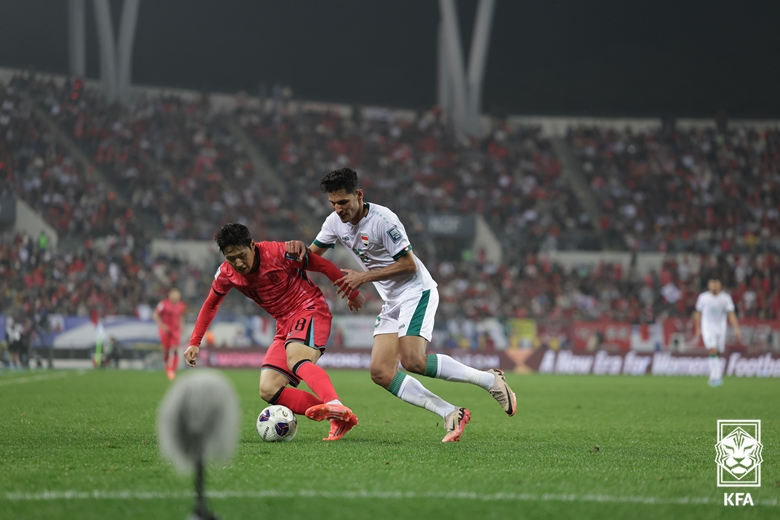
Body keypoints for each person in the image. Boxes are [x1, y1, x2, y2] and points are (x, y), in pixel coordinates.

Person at [287, 168, 517, 443]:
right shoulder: (334, 223)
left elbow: (408, 265)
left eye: (343, 202)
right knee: (381, 372)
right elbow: (311, 257)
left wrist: (364, 277)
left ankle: (490, 380)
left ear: (359, 195)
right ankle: (450, 412)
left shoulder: (384, 221)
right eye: (333, 204)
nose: (338, 209)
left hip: (415, 291)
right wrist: (294, 251)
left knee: (413, 361)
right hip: (392, 299)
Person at [184, 223, 366, 441]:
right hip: (284, 325)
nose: (239, 263)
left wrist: (351, 292)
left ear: (252, 245)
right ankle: (338, 416)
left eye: (242, 255)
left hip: (309, 309)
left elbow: (322, 265)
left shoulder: (278, 253)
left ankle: (334, 404)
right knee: (268, 389)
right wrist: (195, 341)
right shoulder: (226, 274)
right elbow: (211, 304)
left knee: (297, 360)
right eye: (232, 258)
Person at [694, 277, 741, 387]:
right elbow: (698, 313)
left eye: (716, 284)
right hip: (707, 327)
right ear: (709, 285)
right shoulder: (703, 298)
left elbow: (731, 313)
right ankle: (715, 375)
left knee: (718, 351)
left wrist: (736, 328)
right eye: (712, 284)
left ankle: (716, 374)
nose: (714, 286)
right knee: (712, 348)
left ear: (719, 285)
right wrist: (697, 327)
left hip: (721, 327)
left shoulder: (725, 298)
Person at [153, 288, 186, 380]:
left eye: (177, 295)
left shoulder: (181, 305)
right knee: (166, 350)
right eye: (174, 295)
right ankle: (167, 366)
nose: (176, 297)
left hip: (175, 330)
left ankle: (172, 369)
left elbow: (181, 316)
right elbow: (155, 314)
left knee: (175, 349)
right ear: (170, 295)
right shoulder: (163, 304)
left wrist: (182, 326)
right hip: (165, 330)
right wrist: (162, 325)